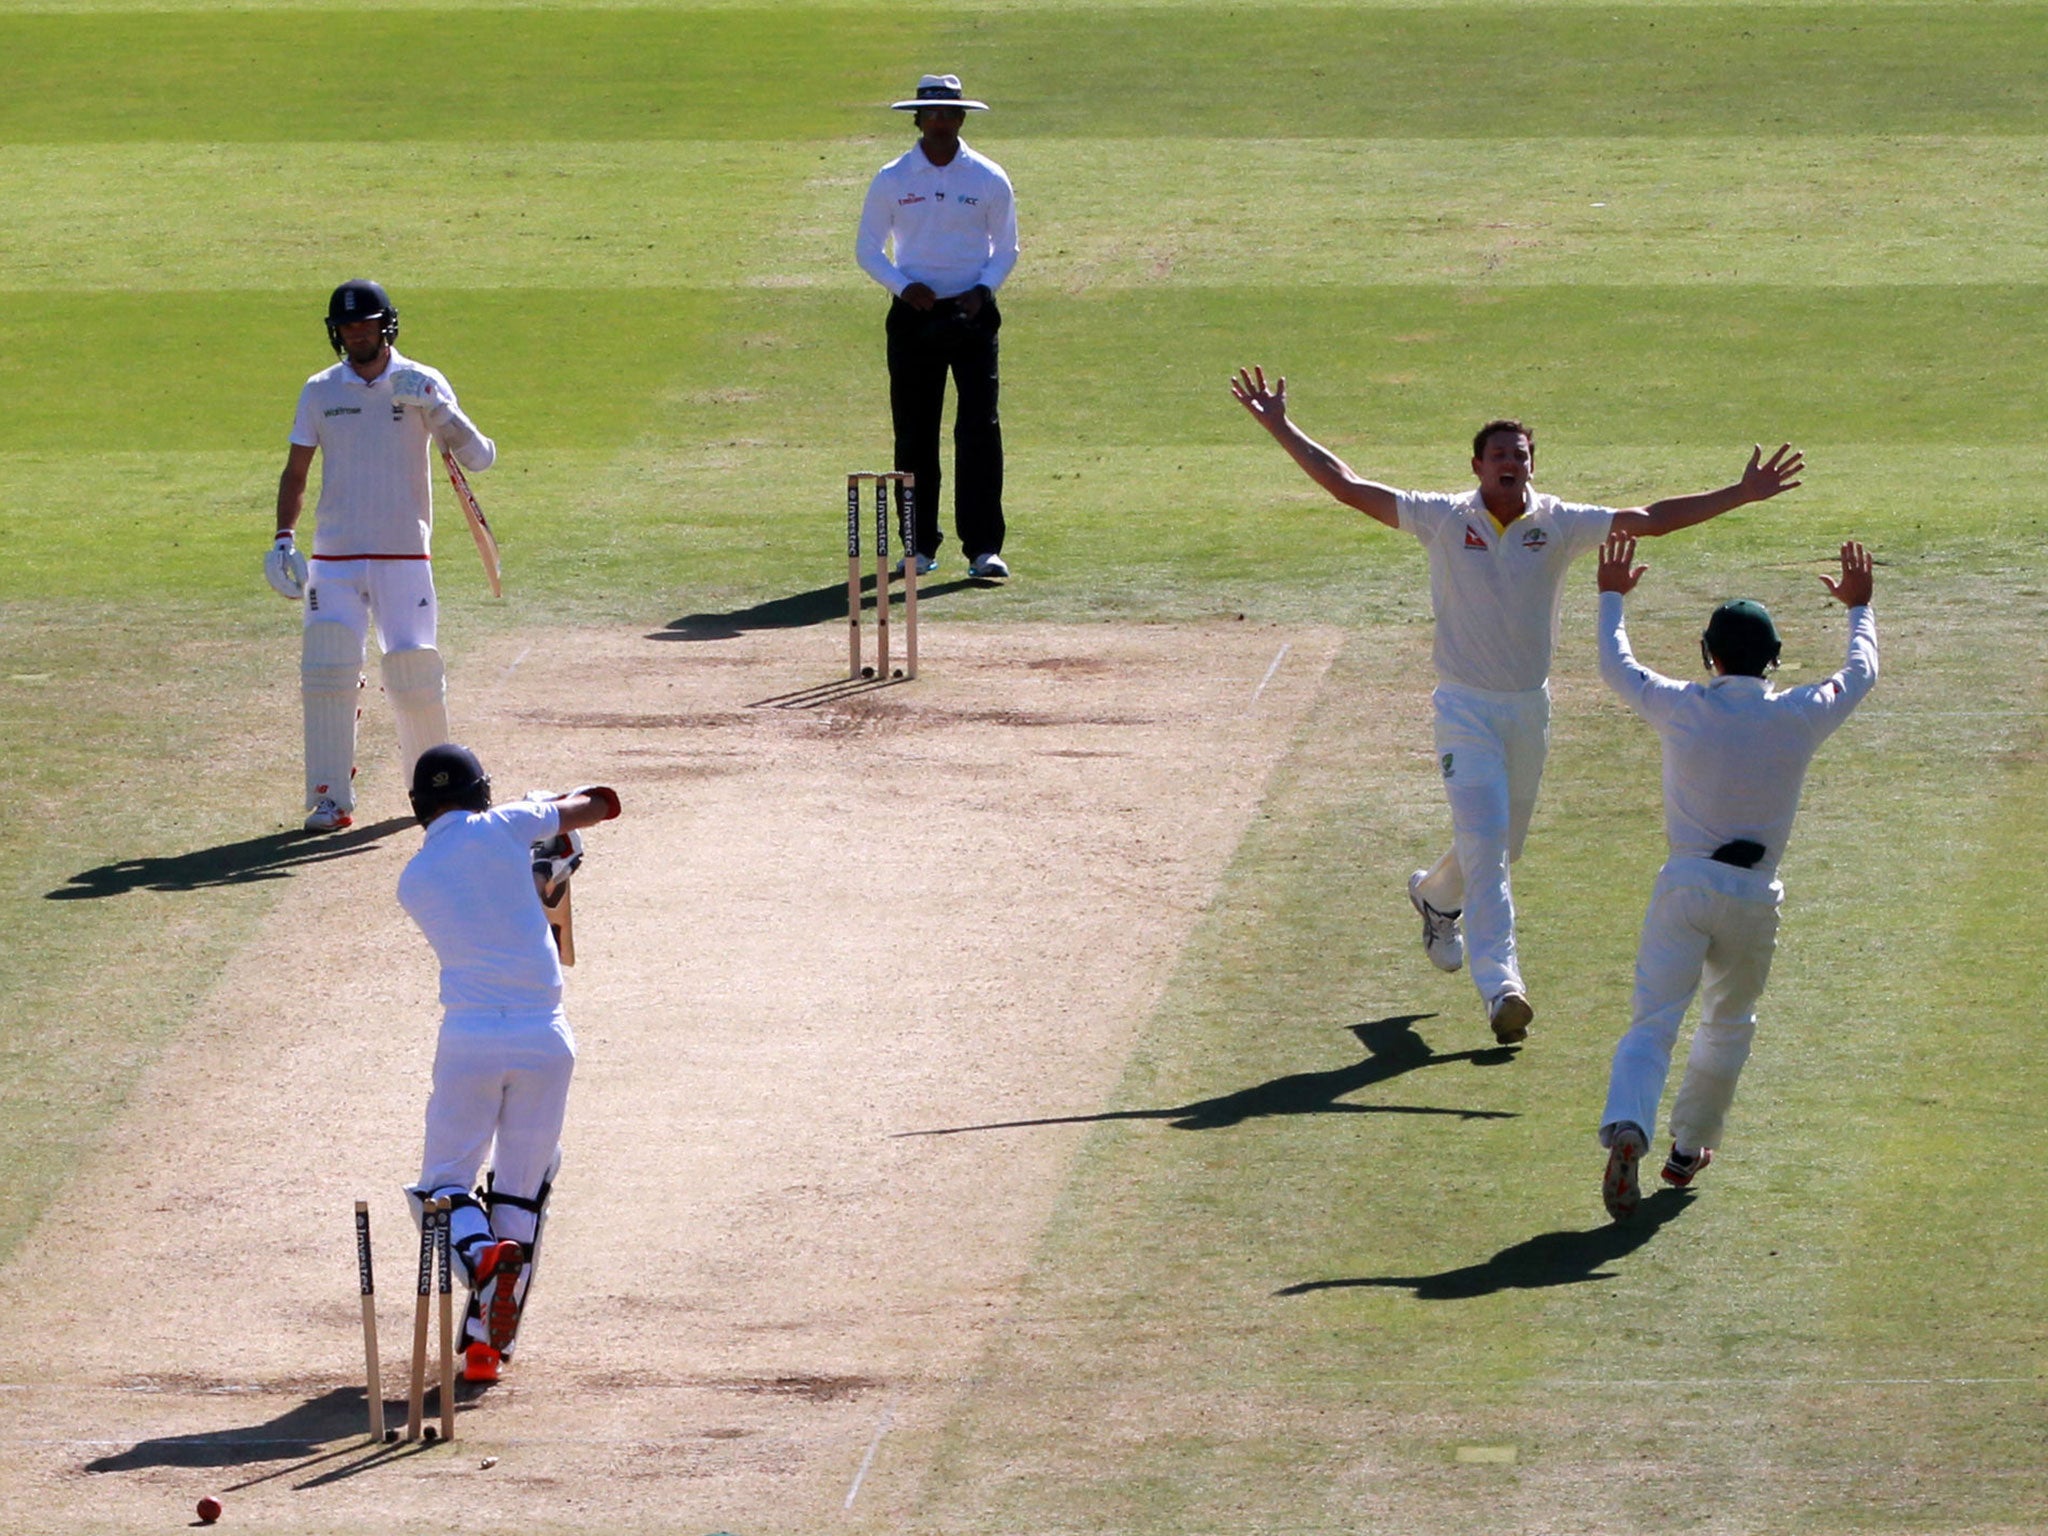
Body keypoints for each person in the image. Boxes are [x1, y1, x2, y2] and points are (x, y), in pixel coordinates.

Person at [1230, 366, 1804, 1042]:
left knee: (1498, 847)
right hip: (1463, 710)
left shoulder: (1557, 524)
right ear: (1477, 465)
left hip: (1528, 711)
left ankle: (1435, 897)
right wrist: (1279, 425)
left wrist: (1740, 492)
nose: (1512, 462)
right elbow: (1349, 487)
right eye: (1499, 454)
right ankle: (1503, 988)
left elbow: (1650, 521)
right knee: (1489, 848)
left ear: (1533, 464)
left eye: (1521, 454)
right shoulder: (1444, 518)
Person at [1594, 536, 1877, 1219]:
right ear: (1773, 659)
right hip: (1753, 897)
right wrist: (1860, 608)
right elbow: (1861, 671)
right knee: (1728, 1024)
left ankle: (1629, 1125)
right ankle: (1688, 1149)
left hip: (1686, 887)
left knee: (1652, 1024)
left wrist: (1611, 595)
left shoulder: (1682, 704)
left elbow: (1617, 665)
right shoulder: (1800, 712)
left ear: (1709, 655)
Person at [397, 743, 623, 1382]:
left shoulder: (412, 882)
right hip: (545, 1039)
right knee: (522, 1195)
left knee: (442, 1189)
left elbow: (481, 895)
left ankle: (478, 1260)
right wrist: (546, 807)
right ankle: (483, 1349)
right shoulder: (507, 825)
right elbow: (602, 805)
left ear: (418, 808)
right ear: (482, 793)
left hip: (469, 1039)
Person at [268, 279, 498, 833]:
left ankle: (437, 796)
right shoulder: (320, 390)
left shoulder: (420, 381)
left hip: (403, 556)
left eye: (365, 324)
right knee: (327, 667)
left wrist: (439, 410)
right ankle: (329, 798)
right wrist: (283, 536)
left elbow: (480, 458)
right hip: (335, 559)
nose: (357, 334)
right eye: (347, 327)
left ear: (385, 325)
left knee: (414, 668)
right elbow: (297, 470)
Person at [856, 73, 1018, 581]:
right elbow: (867, 249)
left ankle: (984, 549)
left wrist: (983, 290)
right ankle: (919, 548)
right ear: (919, 120)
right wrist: (904, 286)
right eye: (933, 114)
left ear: (962, 119)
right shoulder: (893, 177)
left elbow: (1006, 248)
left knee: (978, 431)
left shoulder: (988, 177)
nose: (941, 122)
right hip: (914, 317)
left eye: (950, 114)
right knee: (915, 432)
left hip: (971, 315)